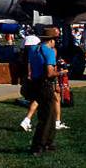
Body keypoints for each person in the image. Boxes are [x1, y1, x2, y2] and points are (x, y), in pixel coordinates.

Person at [29, 27, 66, 156]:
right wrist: (61, 72)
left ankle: (49, 142)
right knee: (48, 117)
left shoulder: (33, 50)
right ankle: (38, 145)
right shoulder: (49, 52)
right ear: (51, 40)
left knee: (45, 114)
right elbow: (50, 73)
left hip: (35, 83)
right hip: (45, 84)